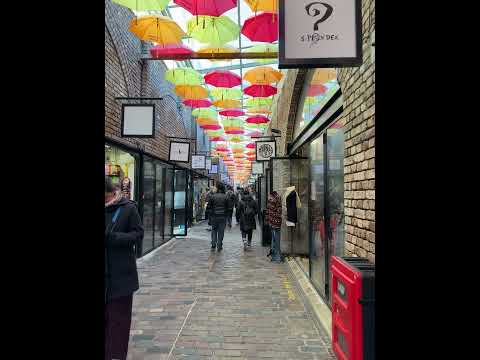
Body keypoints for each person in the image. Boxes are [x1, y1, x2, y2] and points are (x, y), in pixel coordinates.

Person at [105, 176, 144, 360]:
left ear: (113, 193)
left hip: (121, 277)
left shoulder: (128, 208)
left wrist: (116, 238)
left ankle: (117, 355)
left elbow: (138, 234)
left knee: (118, 321)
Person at [206, 183, 229, 251]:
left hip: (214, 216)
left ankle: (213, 244)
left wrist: (211, 213)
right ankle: (219, 245)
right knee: (221, 231)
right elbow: (228, 207)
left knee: (214, 230)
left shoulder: (212, 196)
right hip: (223, 216)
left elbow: (208, 206)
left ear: (217, 188)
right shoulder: (226, 196)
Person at [266, 191, 282, 263]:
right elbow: (279, 211)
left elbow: (268, 212)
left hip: (271, 222)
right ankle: (277, 257)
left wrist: (267, 220)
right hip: (277, 222)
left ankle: (275, 256)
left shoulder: (270, 200)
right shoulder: (278, 199)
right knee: (277, 240)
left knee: (274, 239)